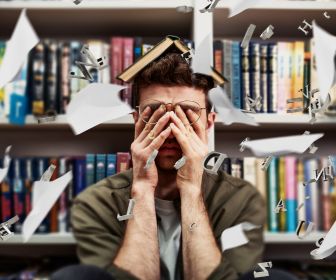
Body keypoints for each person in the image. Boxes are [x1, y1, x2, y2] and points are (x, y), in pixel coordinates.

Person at [71, 38, 266, 280]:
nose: (172, 129)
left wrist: (192, 188)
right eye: (156, 113)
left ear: (209, 123)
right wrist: (141, 187)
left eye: (187, 113)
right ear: (136, 121)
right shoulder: (94, 204)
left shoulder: (242, 200)